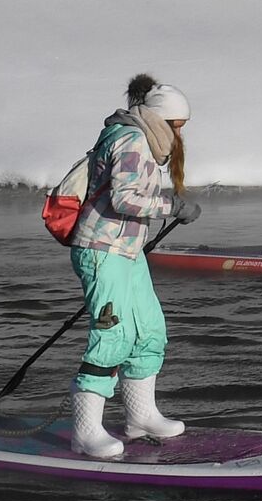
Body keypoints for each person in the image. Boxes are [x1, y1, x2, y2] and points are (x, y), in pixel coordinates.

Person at [67, 74, 203, 458]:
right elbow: (125, 200)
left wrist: (164, 200)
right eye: (179, 125)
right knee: (112, 335)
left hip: (127, 250)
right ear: (163, 119)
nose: (181, 133)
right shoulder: (129, 140)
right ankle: (85, 431)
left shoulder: (144, 139)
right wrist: (172, 207)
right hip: (102, 250)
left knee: (149, 330)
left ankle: (141, 416)